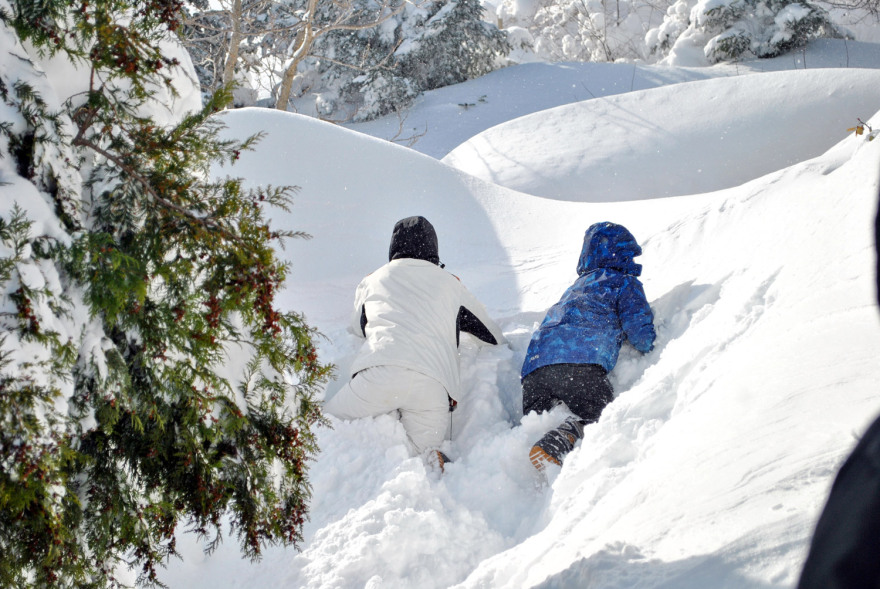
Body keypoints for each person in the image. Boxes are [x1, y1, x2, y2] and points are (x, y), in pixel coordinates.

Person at [324, 216, 505, 471]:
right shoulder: (450, 284)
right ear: (433, 249)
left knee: (327, 424)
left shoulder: (374, 279)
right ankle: (433, 463)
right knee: (424, 455)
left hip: (378, 375)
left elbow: (359, 327)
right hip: (432, 386)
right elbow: (492, 335)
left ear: (393, 247)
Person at [521, 222, 656, 471]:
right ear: (623, 253)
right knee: (602, 419)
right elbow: (641, 335)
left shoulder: (574, 289)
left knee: (536, 423)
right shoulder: (622, 282)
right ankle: (562, 438)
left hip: (534, 371)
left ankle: (522, 456)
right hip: (579, 365)